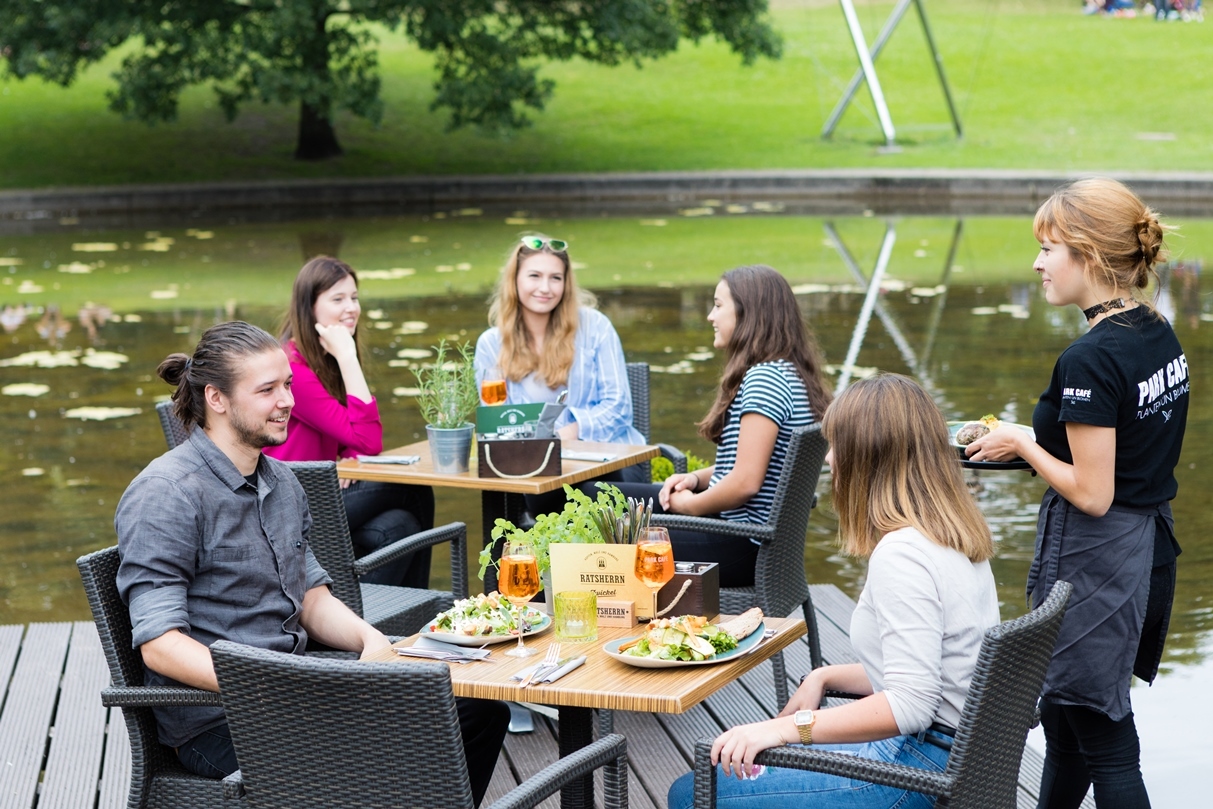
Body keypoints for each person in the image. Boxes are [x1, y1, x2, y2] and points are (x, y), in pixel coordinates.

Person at [115, 321, 508, 806]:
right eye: (268, 390)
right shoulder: (166, 494)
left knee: (475, 708)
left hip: (299, 692)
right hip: (220, 719)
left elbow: (310, 598)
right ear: (216, 398)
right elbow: (160, 646)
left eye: (287, 384)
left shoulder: (282, 483)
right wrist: (277, 684)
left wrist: (371, 640)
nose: (288, 401)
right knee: (394, 757)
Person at [667, 373, 1000, 809]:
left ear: (869, 457)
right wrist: (823, 676)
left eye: (837, 445)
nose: (828, 460)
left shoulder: (902, 554)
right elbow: (928, 672)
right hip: (951, 756)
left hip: (916, 768)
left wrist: (790, 728)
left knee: (693, 791)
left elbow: (912, 704)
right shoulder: (955, 535)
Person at [966, 178, 1188, 809]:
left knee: (1106, 739)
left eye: (1049, 248)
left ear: (1088, 255)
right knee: (1066, 726)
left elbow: (1093, 493)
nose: (1037, 264)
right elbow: (1136, 453)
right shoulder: (1156, 330)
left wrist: (1022, 442)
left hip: (1099, 564)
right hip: (1146, 552)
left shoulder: (1090, 358)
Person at [612, 264, 833, 588]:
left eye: (718, 305)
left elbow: (746, 482)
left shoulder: (765, 379)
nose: (710, 317)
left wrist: (691, 506)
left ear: (749, 314)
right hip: (750, 538)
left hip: (741, 544)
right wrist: (694, 479)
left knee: (607, 534)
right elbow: (751, 463)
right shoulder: (789, 373)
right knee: (605, 499)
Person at [264, 256, 435, 589]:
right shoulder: (292, 369)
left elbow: (354, 444)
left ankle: (387, 619)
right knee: (411, 488)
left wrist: (348, 458)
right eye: (338, 299)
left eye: (354, 298)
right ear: (309, 307)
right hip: (290, 503)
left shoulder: (320, 360)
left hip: (321, 491)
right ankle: (415, 618)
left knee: (400, 526)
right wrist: (347, 356)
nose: (351, 308)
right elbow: (371, 441)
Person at [475, 235, 647, 514]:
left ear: (566, 284)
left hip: (611, 462)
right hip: (538, 471)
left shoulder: (595, 327)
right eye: (534, 275)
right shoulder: (491, 345)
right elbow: (495, 428)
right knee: (549, 493)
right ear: (514, 280)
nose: (545, 288)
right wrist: (540, 448)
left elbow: (619, 409)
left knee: (592, 492)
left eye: (556, 278)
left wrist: (568, 433)